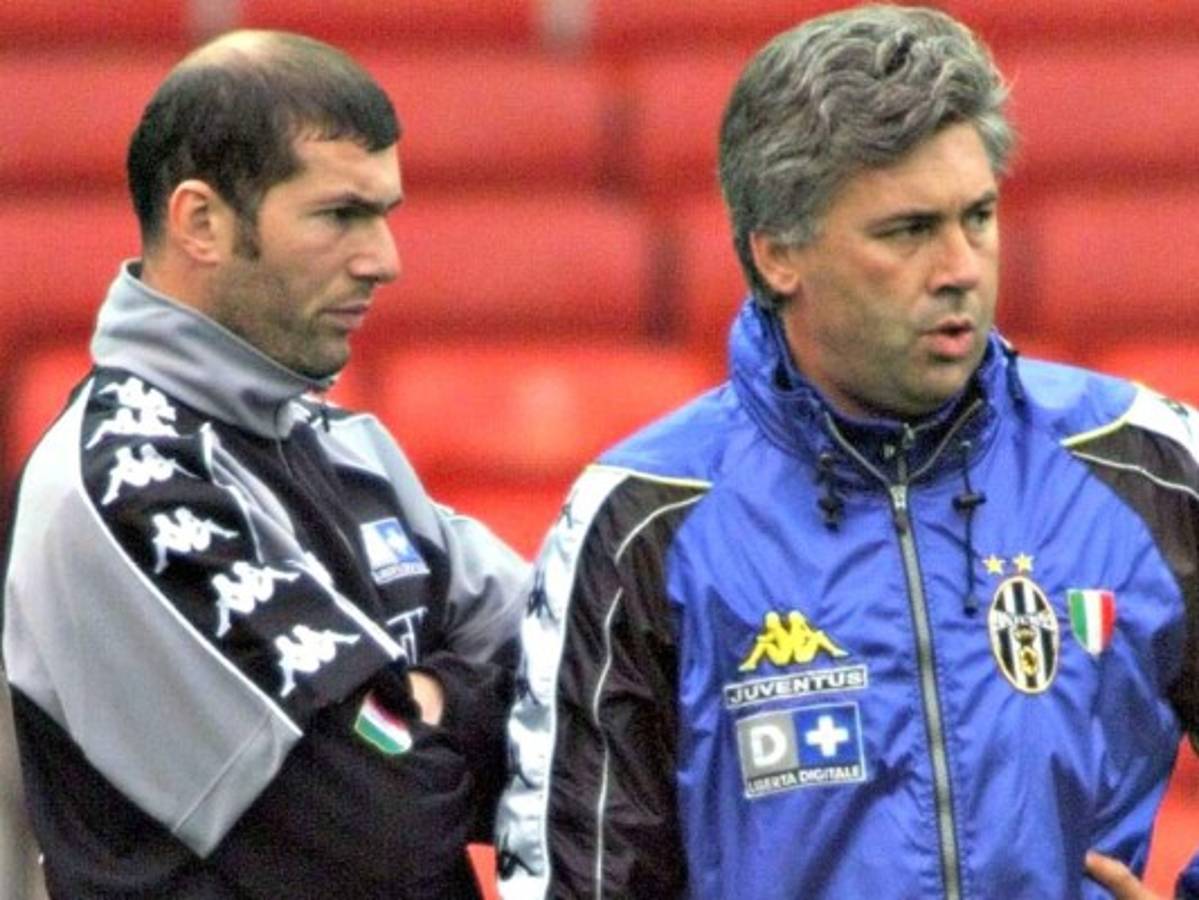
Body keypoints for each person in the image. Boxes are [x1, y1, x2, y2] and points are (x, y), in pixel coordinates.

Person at [496, 5, 1198, 899]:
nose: (960, 267)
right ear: (777, 255)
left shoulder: (1146, 464)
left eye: (977, 216)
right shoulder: (645, 518)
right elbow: (576, 880)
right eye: (907, 231)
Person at [1, 30, 529, 899]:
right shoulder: (119, 481)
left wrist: (418, 705)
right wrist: (441, 706)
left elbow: (581, 674)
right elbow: (385, 828)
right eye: (339, 215)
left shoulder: (348, 445)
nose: (384, 260)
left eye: (384, 214)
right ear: (201, 223)